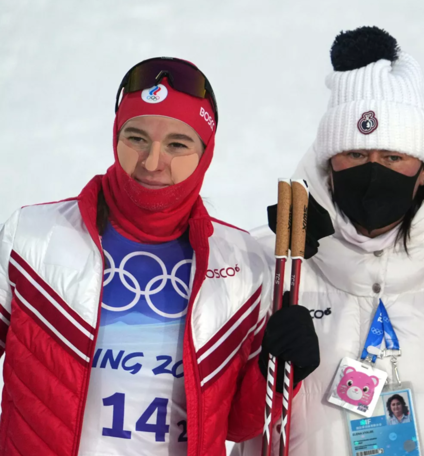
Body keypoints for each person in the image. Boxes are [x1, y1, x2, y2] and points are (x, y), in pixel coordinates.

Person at [0, 57, 319, 456]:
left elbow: (238, 423)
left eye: (177, 145)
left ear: (206, 152)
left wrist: (280, 372)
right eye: (136, 138)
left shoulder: (242, 266)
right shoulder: (34, 237)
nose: (152, 163)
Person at [236, 26, 424, 456]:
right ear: (329, 165)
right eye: (356, 155)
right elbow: (211, 408)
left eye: (393, 157)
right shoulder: (269, 261)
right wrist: (257, 372)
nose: (373, 172)